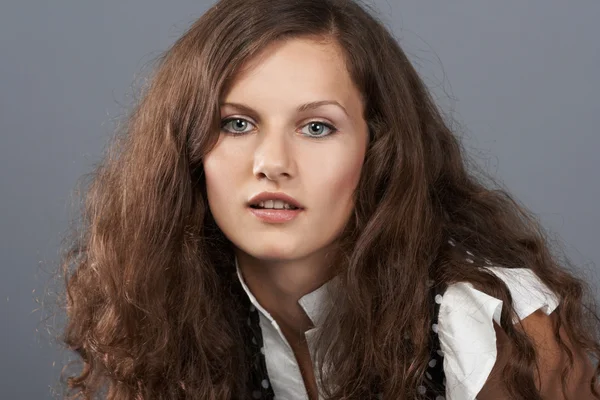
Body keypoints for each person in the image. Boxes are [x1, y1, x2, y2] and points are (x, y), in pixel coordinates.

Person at [56, 0, 600, 398]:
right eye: (237, 123)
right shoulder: (169, 304)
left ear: (378, 148)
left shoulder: (485, 321)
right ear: (188, 151)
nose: (272, 161)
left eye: (317, 127)